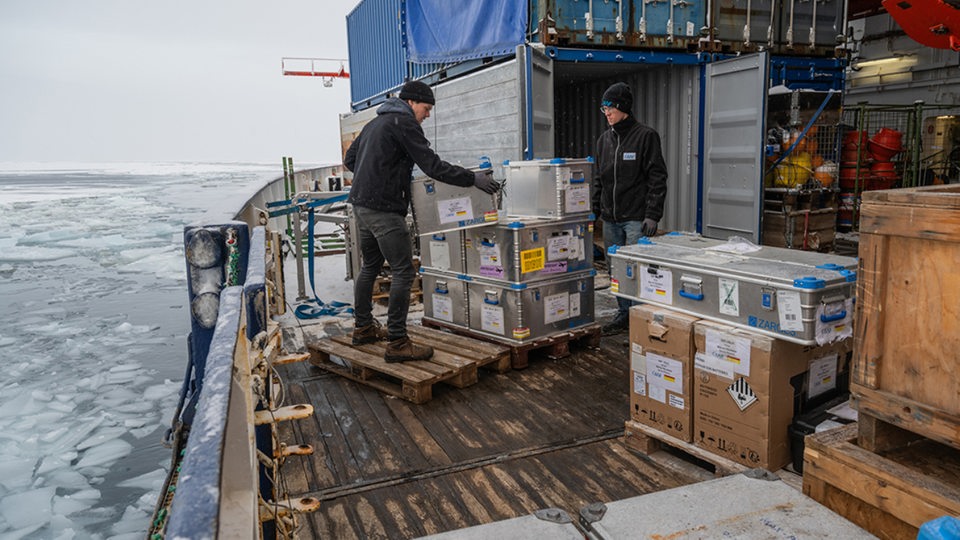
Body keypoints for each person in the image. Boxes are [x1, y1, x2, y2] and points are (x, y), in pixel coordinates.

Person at [344, 80, 499, 362]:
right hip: (383, 208)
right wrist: (472, 179)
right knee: (404, 272)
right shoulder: (404, 123)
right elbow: (432, 166)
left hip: (361, 205)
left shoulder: (374, 123)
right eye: (426, 109)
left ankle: (364, 327)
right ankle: (398, 343)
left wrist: (378, 171)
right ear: (411, 102)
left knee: (370, 266)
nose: (427, 115)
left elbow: (350, 159)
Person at [592, 82, 668, 335]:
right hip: (611, 219)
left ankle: (640, 319)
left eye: (609, 107)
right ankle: (624, 315)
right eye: (603, 109)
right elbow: (598, 179)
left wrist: (652, 214)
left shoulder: (645, 136)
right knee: (616, 269)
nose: (606, 113)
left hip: (635, 218)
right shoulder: (604, 141)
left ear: (623, 107)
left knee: (636, 270)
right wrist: (594, 211)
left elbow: (657, 177)